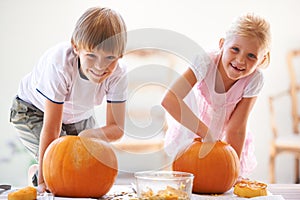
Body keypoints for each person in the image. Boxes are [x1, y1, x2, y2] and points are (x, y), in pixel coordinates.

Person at [9, 6, 127, 192]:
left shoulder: (119, 74)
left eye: (110, 57)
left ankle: (41, 172)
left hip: (79, 115)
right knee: (57, 170)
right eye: (91, 55)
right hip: (33, 111)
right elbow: (52, 128)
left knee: (87, 170)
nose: (100, 66)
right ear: (76, 47)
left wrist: (91, 135)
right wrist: (43, 180)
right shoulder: (60, 64)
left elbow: (117, 128)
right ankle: (36, 174)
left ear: (120, 55)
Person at [161, 13, 271, 177]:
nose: (240, 60)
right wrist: (207, 134)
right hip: (193, 129)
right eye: (235, 49)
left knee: (220, 181)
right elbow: (170, 99)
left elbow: (237, 128)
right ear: (222, 44)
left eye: (251, 56)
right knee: (189, 177)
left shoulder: (254, 79)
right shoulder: (206, 61)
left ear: (262, 60)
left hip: (224, 140)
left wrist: (232, 170)